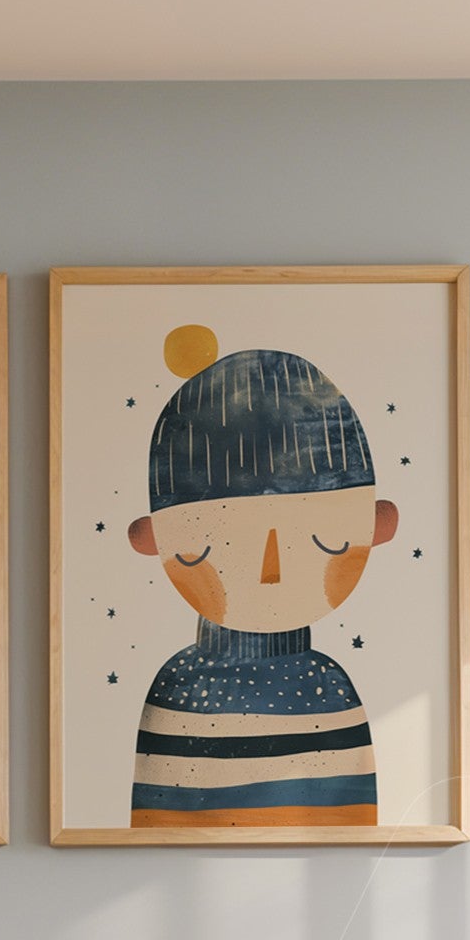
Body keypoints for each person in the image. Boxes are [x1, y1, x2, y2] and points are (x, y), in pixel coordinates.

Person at [125, 333, 396, 828]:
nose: (270, 570)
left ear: (378, 526)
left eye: (324, 542)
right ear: (154, 541)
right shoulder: (177, 692)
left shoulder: (331, 691)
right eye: (208, 548)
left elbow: (351, 839)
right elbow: (154, 840)